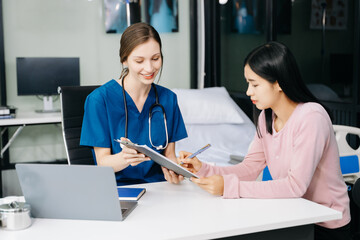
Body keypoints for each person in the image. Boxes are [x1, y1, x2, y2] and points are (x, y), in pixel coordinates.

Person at [178, 42, 351, 240]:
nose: (248, 91)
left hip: (326, 224)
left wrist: (229, 187)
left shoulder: (312, 117)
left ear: (278, 83)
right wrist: (204, 168)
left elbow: (295, 186)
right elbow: (249, 168)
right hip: (293, 215)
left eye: (255, 84)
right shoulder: (266, 117)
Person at [80, 22, 187, 186]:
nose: (149, 68)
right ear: (124, 60)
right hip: (119, 190)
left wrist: (176, 170)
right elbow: (102, 163)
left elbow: (169, 155)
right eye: (139, 61)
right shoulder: (99, 100)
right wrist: (125, 158)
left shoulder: (168, 99)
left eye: (155, 59)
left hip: (159, 187)